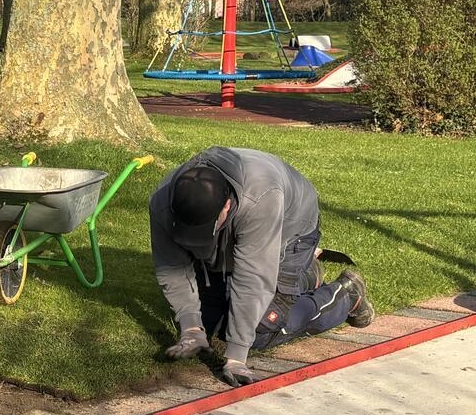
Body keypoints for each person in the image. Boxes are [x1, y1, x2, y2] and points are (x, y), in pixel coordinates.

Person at [149, 147, 375, 387]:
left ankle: (347, 296)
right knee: (212, 321)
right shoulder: (162, 201)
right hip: (242, 228)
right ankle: (305, 277)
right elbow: (171, 267)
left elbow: (252, 280)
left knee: (260, 328)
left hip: (291, 231)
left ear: (226, 205)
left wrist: (236, 357)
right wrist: (191, 327)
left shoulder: (260, 198)